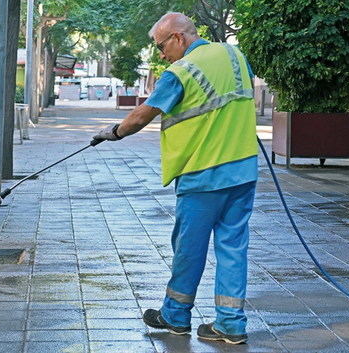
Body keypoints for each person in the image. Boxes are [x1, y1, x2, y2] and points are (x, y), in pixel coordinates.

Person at [93, 12, 258, 345]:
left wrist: (113, 132)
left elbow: (142, 115)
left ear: (179, 38)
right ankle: (231, 324)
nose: (161, 54)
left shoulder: (181, 71)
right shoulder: (234, 55)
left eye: (161, 45)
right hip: (243, 170)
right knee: (233, 248)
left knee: (189, 249)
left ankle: (176, 316)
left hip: (203, 173)